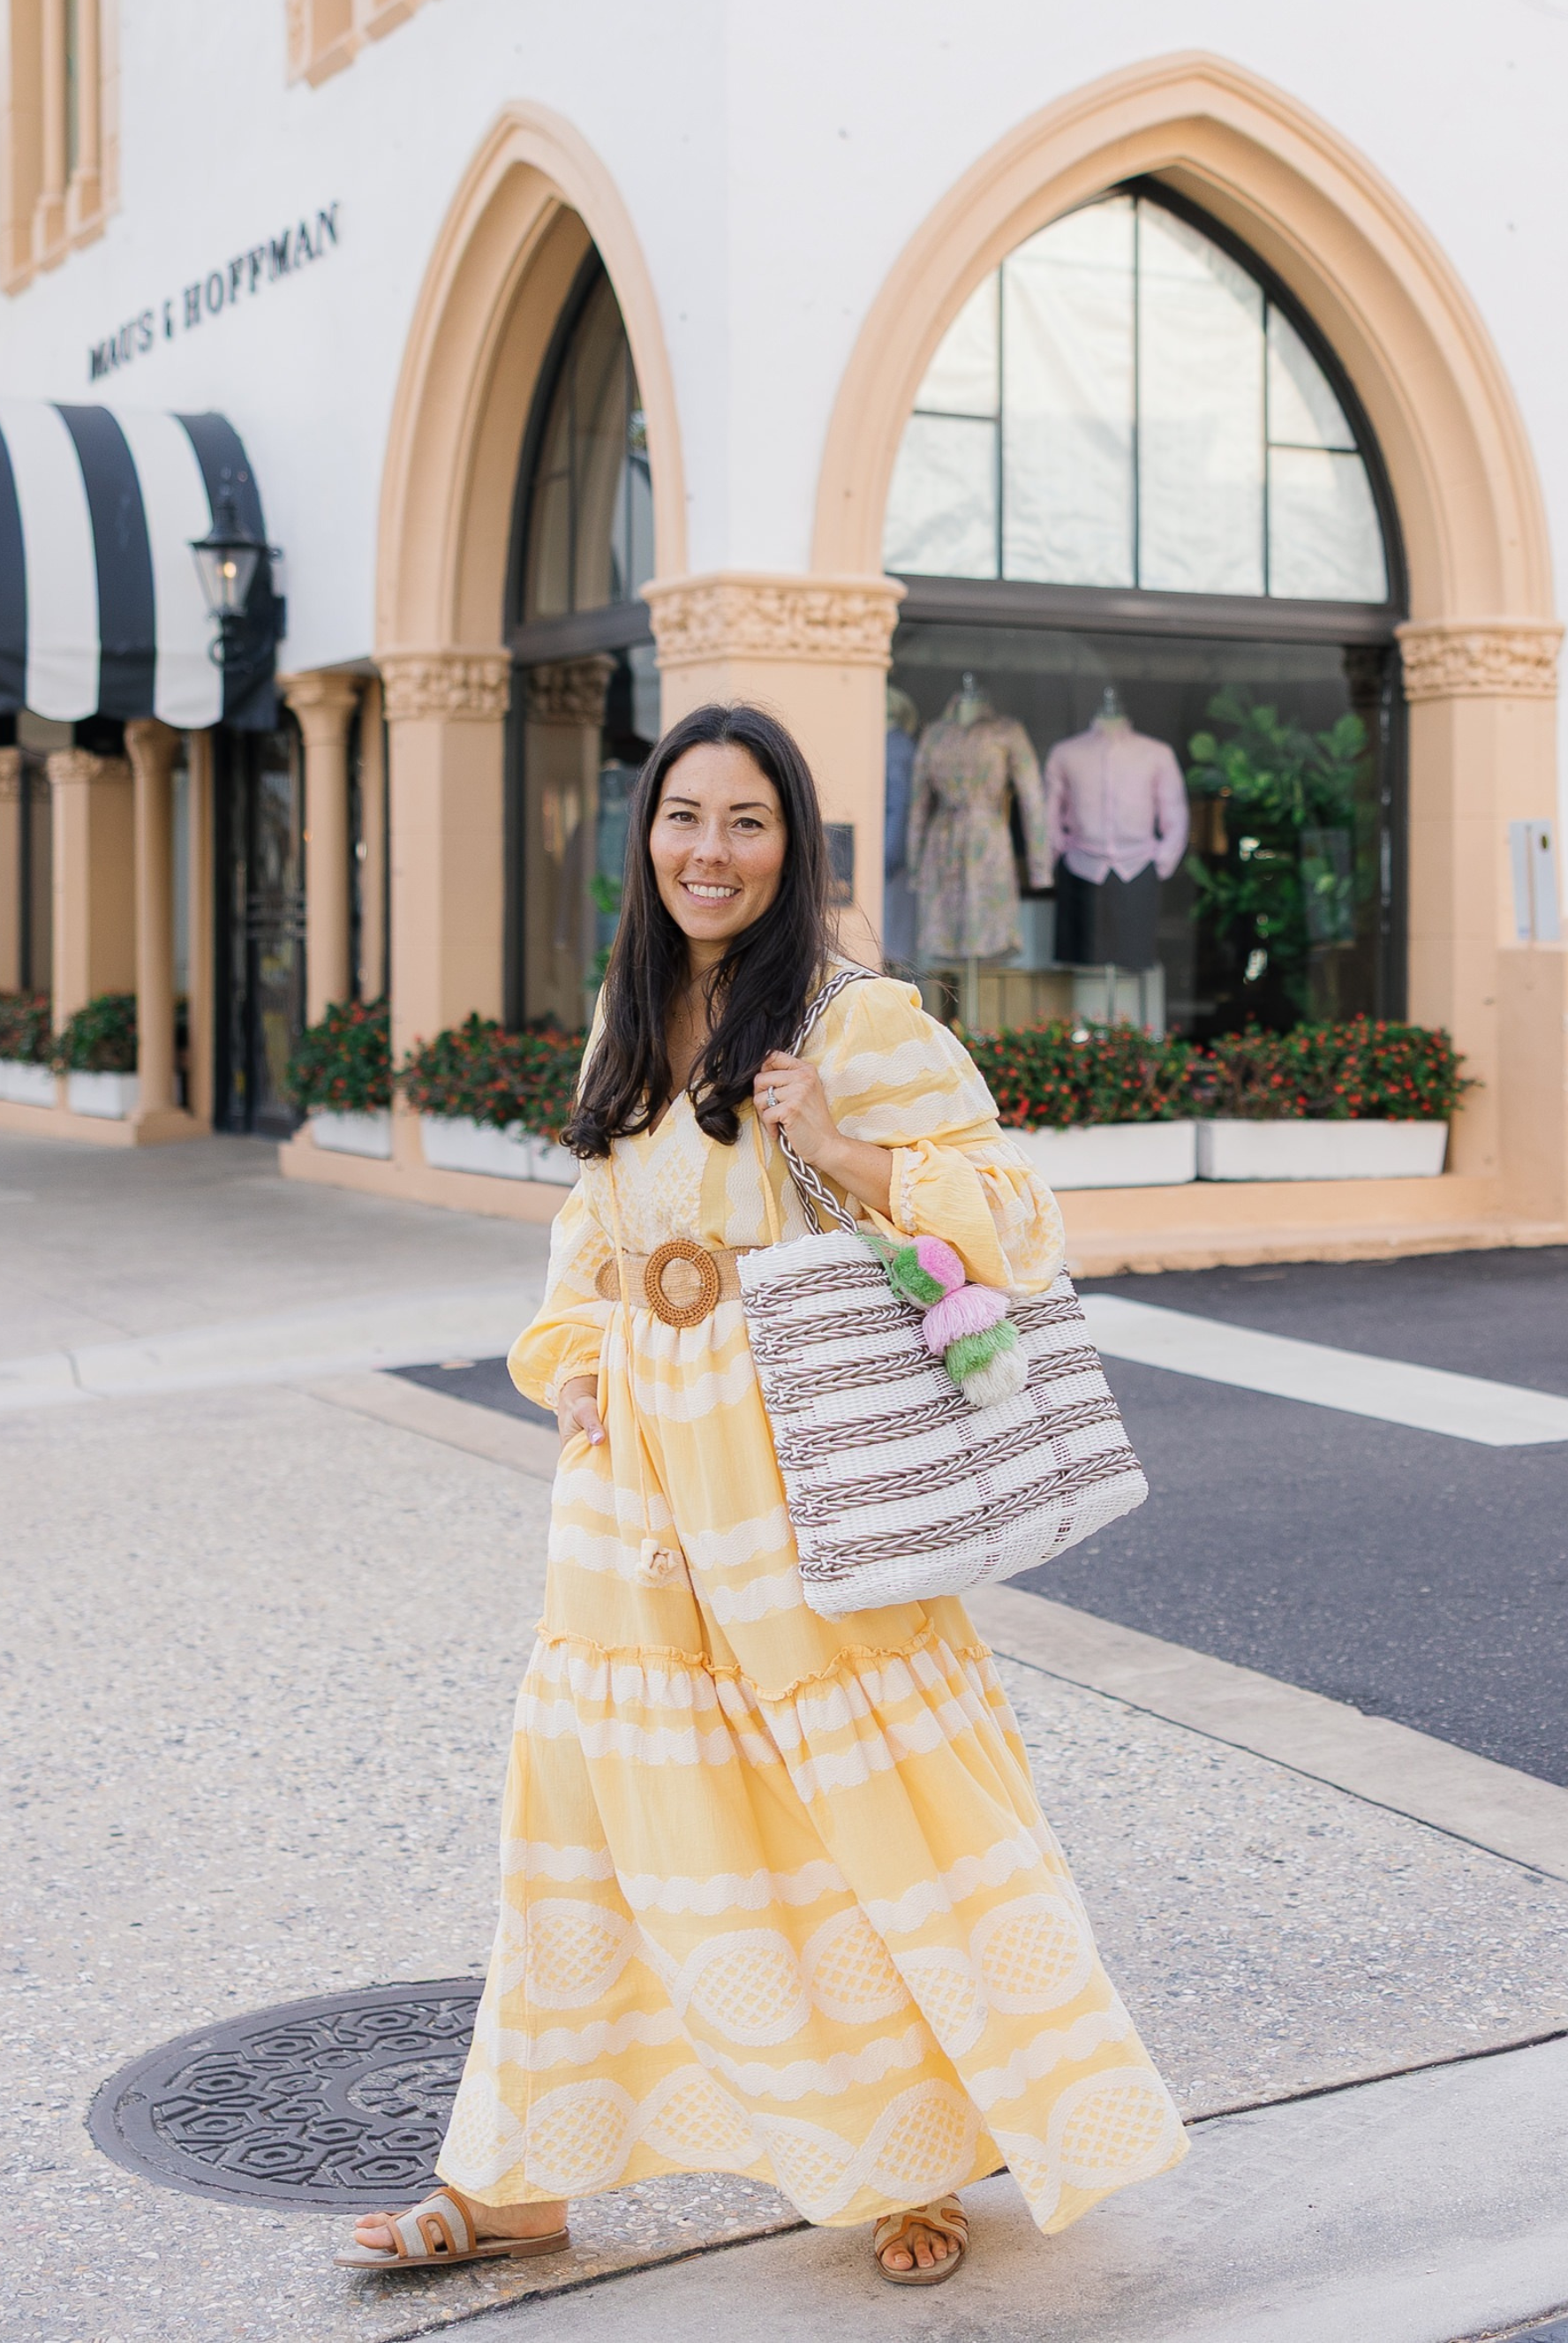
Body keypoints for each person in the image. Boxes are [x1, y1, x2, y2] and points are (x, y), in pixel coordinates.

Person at [338, 703, 1185, 2290]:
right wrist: (570, 1364)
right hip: (636, 1486)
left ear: (791, 844)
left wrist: (848, 1145)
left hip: (804, 1468)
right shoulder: (628, 1014)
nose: (706, 852)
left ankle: (915, 2155)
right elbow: (584, 1254)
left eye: (744, 822)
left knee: (845, 1809)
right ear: (643, 836)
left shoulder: (856, 1017)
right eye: (680, 818)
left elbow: (1016, 1217)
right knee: (584, 1823)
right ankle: (520, 2174)